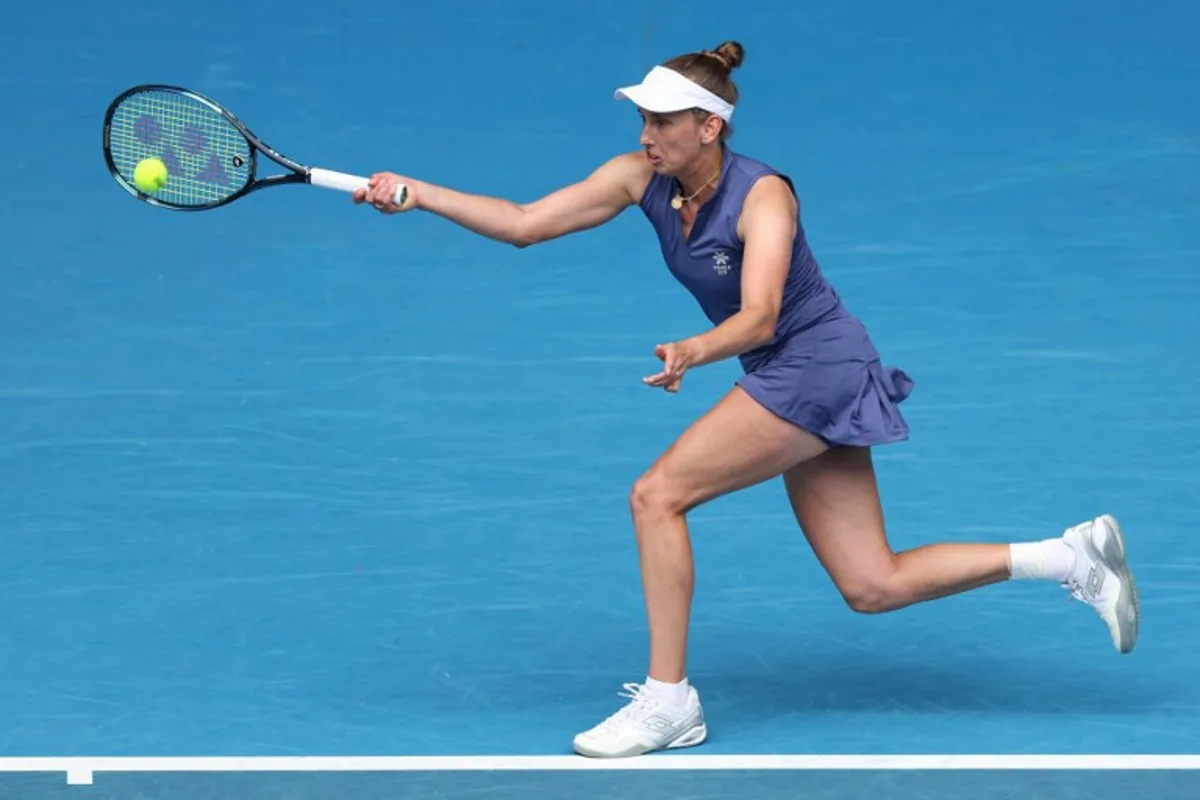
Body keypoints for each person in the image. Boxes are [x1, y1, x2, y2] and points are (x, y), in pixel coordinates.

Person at [353, 40, 1140, 759]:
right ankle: (1071, 557)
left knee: (657, 495)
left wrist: (695, 350)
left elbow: (761, 314)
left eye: (660, 122)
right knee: (872, 584)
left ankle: (669, 702)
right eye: (642, 120)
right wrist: (419, 193)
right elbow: (526, 223)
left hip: (814, 365)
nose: (645, 135)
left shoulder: (764, 196)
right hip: (792, 368)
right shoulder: (640, 179)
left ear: (708, 126)